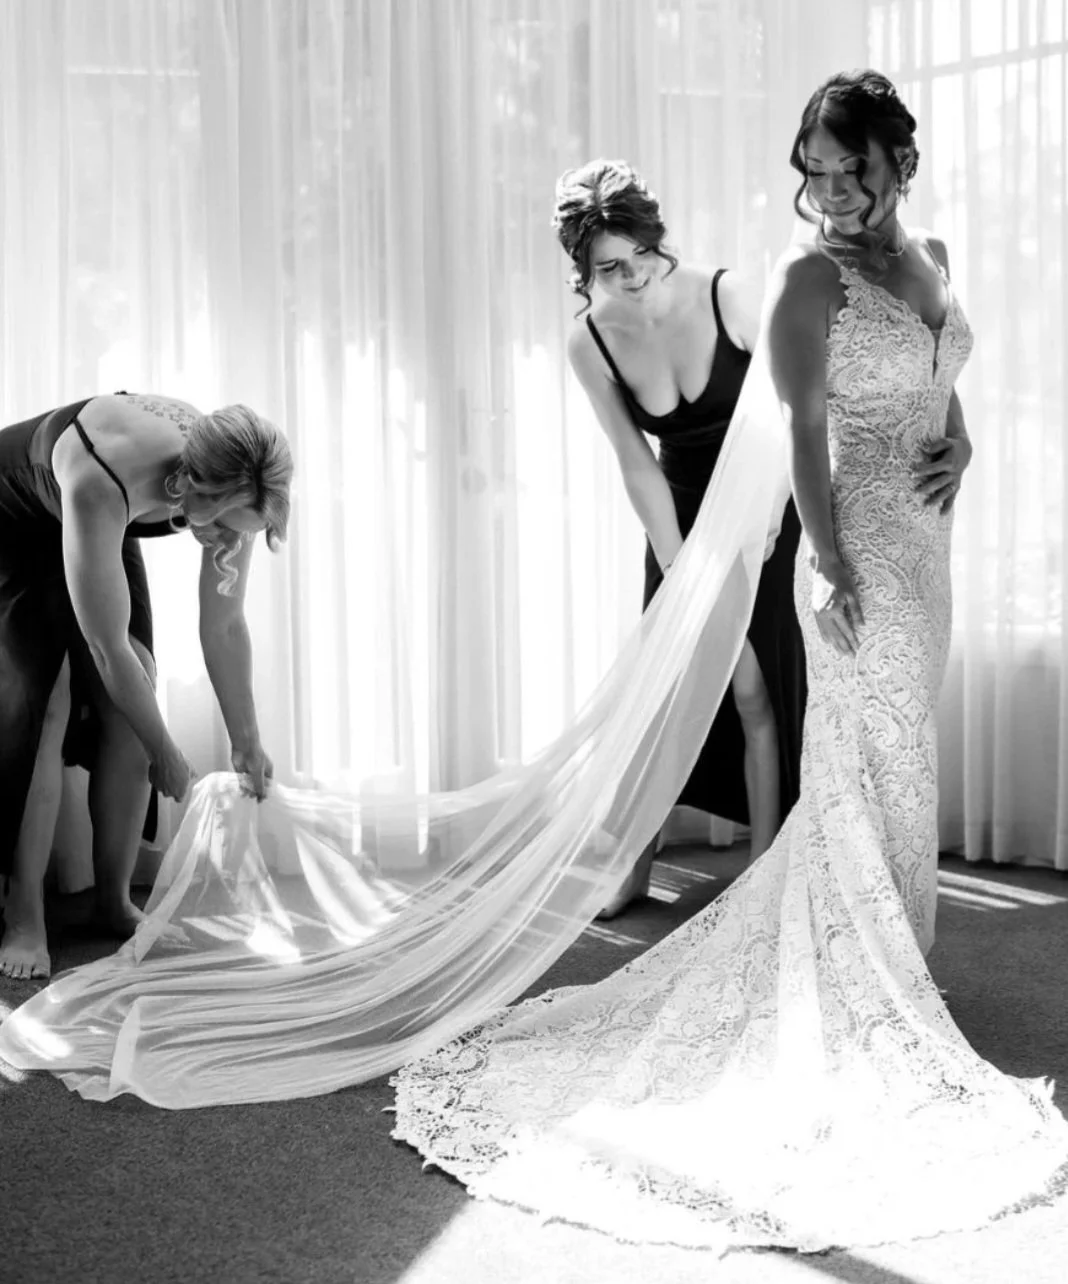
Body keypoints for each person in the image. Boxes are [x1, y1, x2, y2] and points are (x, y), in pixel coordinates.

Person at [387, 71, 1067, 1249]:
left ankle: (894, 963)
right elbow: (802, 425)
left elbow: (946, 372)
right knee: (869, 756)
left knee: (903, 759)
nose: (835, 190)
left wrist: (967, 441)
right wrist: (839, 569)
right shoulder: (810, 277)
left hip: (927, 551)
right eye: (816, 167)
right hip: (854, 554)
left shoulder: (934, 254)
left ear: (902, 163)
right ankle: (868, 980)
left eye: (856, 166)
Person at [555, 161, 805, 915]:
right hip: (676, 518)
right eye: (608, 269)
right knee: (664, 696)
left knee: (757, 692)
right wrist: (679, 565)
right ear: (584, 270)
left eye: (640, 257)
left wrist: (759, 522)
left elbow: (792, 413)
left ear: (658, 239)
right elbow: (635, 462)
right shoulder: (589, 341)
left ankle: (765, 871)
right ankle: (632, 860)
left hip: (765, 514)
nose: (630, 279)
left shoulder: (727, 294)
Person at [0, 392, 292, 979]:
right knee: (48, 701)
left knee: (136, 691)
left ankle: (112, 899)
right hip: (17, 514)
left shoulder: (236, 479)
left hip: (105, 516)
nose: (232, 545)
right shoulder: (104, 479)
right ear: (194, 496)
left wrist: (246, 740)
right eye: (229, 531)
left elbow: (226, 624)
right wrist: (166, 752)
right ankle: (23, 912)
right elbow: (105, 650)